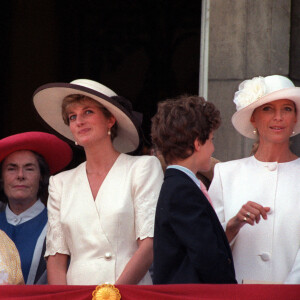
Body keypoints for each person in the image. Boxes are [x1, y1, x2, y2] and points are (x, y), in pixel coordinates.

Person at [33, 79, 164, 285]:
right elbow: (56, 258)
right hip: (77, 295)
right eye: (72, 116)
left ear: (110, 120)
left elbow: (149, 244)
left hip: (128, 291)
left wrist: (113, 295)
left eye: (88, 112)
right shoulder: (60, 183)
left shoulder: (143, 168)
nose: (79, 121)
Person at [208, 75, 300, 284]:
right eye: (268, 109)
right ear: (253, 117)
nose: (278, 117)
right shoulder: (226, 174)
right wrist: (233, 226)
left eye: (287, 109)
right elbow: (207, 248)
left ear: (295, 117)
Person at [151, 95, 236, 284]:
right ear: (197, 143)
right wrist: (230, 289)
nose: (213, 148)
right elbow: (206, 254)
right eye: (211, 140)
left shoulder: (178, 185)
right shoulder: (182, 190)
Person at [0, 132, 72, 284]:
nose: (20, 175)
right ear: (1, 177)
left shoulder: (58, 224)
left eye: (29, 168)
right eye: (11, 169)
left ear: (41, 176)